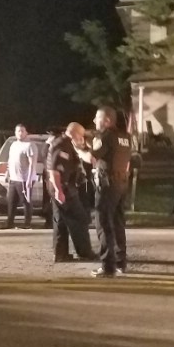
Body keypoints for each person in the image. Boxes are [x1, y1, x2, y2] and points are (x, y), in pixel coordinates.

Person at [76, 106, 132, 278]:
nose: (94, 121)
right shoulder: (125, 137)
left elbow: (91, 158)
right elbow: (113, 154)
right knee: (118, 222)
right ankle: (120, 262)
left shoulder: (106, 136)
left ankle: (108, 266)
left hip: (107, 185)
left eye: (97, 118)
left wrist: (78, 149)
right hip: (121, 182)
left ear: (107, 120)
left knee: (103, 223)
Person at [47, 122, 96, 263]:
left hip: (62, 188)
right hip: (64, 188)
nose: (82, 139)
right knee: (80, 219)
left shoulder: (66, 144)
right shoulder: (62, 145)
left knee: (61, 221)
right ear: (74, 133)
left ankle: (60, 254)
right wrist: (59, 191)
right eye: (81, 136)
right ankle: (85, 252)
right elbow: (54, 170)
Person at [2, 124, 37, 229]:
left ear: (26, 132)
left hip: (24, 179)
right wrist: (7, 173)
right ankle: (9, 223)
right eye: (18, 131)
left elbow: (32, 164)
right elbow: (10, 160)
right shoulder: (13, 145)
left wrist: (29, 179)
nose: (20, 133)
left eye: (22, 131)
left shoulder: (30, 145)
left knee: (26, 202)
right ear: (15, 133)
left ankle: (27, 223)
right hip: (14, 178)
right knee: (11, 202)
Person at [42, 126, 63, 229]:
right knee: (49, 200)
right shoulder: (49, 146)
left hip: (55, 176)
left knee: (54, 201)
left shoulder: (59, 146)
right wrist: (47, 144)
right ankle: (49, 221)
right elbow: (43, 155)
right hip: (48, 176)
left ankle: (54, 221)